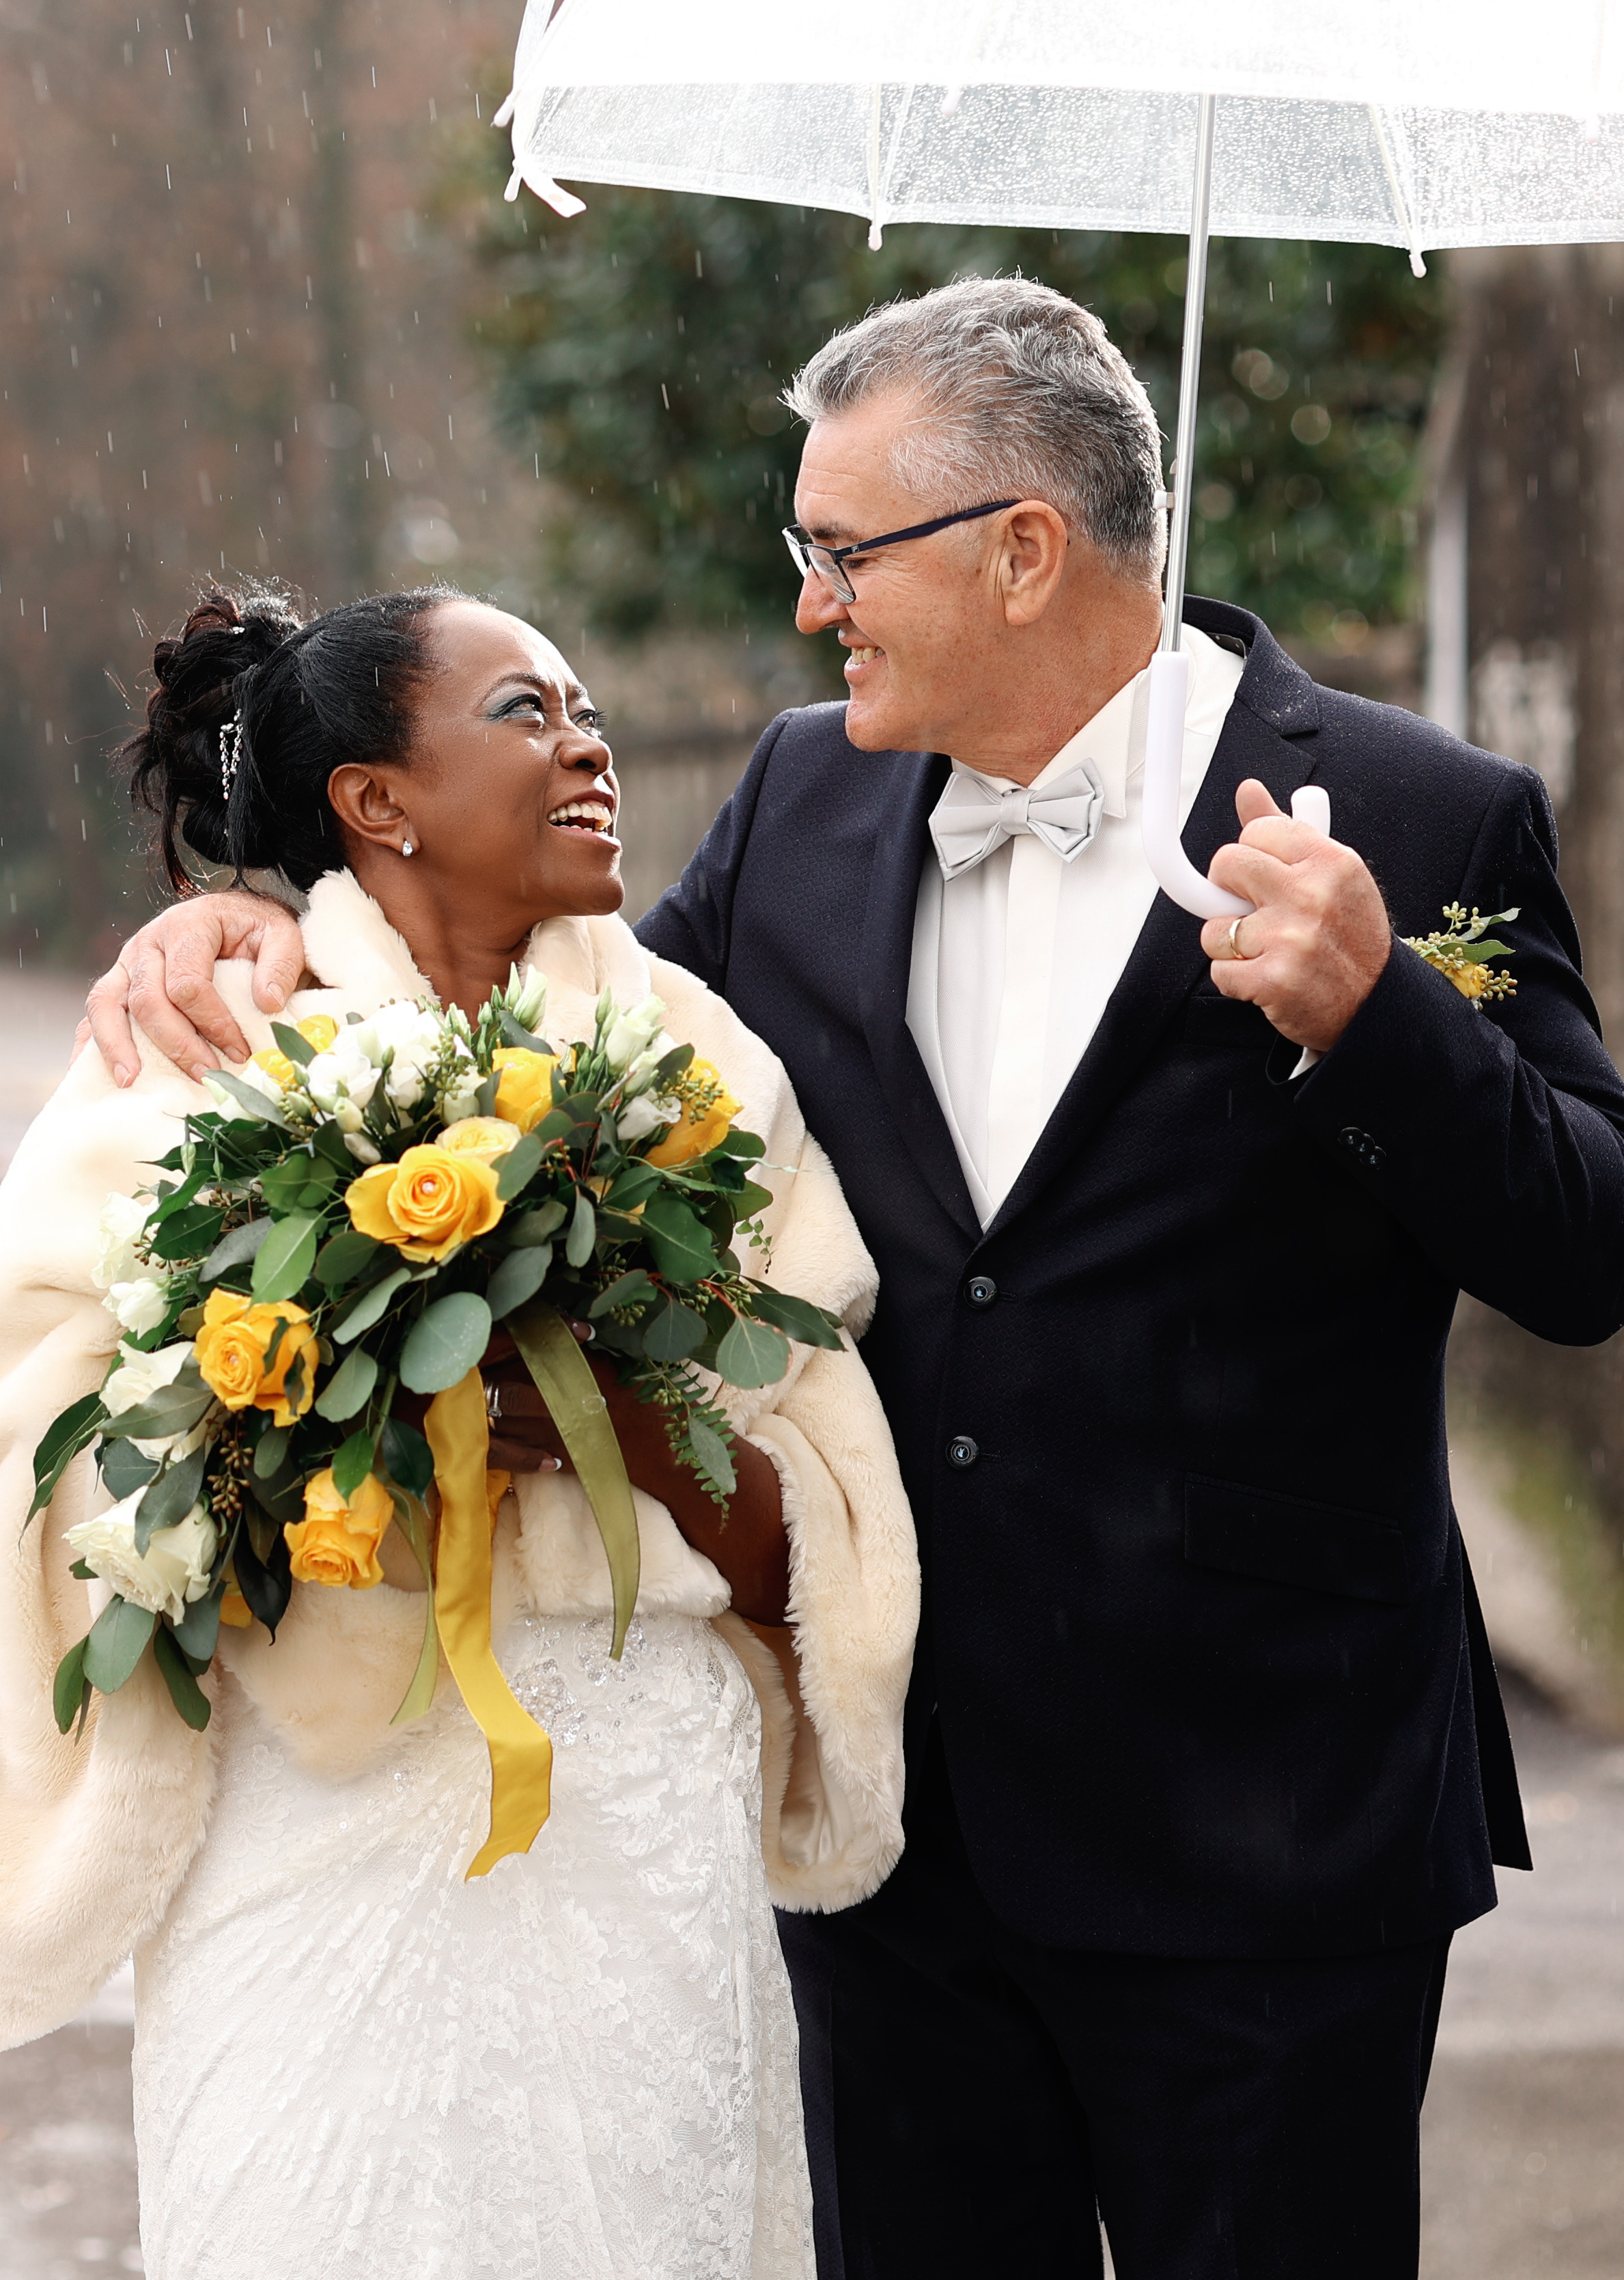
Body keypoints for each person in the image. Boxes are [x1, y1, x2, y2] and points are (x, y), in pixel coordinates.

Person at [87, 278, 1624, 2280]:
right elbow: (557, 1042)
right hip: (903, 1832)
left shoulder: (1422, 814)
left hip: (1269, 1827)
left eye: (843, 551)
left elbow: (1585, 1247)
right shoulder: (802, 794)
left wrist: (1380, 1019)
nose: (811, 603)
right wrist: (254, 927)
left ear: (1022, 549)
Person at [0, 584, 919, 2280]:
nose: (587, 745)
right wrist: (291, 1408)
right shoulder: (198, 1053)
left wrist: (614, 1417)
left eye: (588, 709)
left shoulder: (706, 1073)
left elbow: (818, 1520)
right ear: (376, 797)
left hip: (641, 1819)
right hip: (308, 1827)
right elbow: (48, 1460)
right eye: (525, 710)